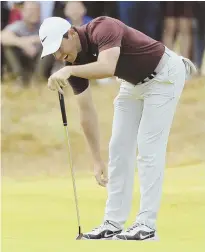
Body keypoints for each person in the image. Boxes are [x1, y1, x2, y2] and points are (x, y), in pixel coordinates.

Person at [39, 16, 196, 241]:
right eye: (53, 53)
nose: (58, 56)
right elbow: (86, 112)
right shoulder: (72, 65)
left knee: (149, 148)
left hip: (164, 75)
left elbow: (107, 66)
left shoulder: (102, 27)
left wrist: (71, 72)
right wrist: (96, 160)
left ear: (72, 33)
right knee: (119, 148)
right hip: (133, 84)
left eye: (58, 48)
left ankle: (146, 225)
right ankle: (113, 222)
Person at [1, 1, 46, 86]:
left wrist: (33, 40)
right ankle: (19, 77)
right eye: (30, 10)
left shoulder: (45, 26)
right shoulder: (18, 25)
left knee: (50, 47)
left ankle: (38, 78)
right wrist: (23, 43)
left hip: (39, 62)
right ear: (23, 12)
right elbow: (2, 37)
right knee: (8, 47)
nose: (33, 13)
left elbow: (55, 38)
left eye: (36, 10)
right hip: (22, 61)